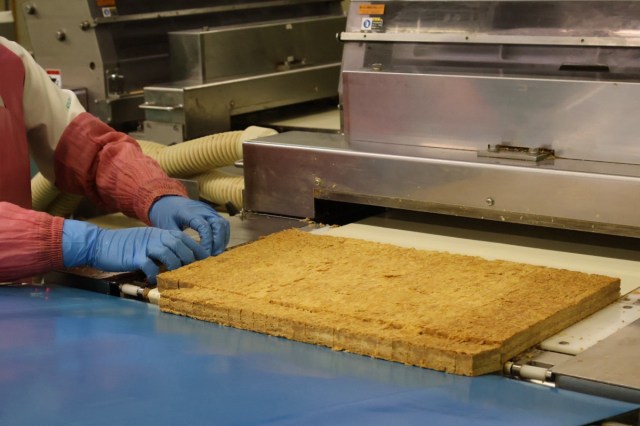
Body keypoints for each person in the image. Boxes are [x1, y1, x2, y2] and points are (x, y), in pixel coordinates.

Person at [0, 36, 230, 285]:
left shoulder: (9, 60)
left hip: (21, 295)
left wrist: (154, 194)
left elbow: (88, 150)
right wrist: (83, 243)